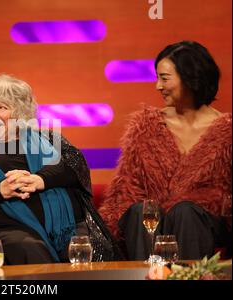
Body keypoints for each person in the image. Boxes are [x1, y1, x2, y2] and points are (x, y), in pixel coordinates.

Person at [0, 74, 122, 264]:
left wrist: (39, 180)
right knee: (30, 250)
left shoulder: (49, 139)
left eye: (1, 107)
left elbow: (75, 166)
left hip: (68, 226)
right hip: (10, 231)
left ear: (20, 114)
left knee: (86, 249)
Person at [98, 41, 231, 260]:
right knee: (141, 211)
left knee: (185, 211)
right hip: (152, 224)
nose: (158, 86)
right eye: (157, 78)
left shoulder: (227, 130)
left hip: (203, 224)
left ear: (191, 78)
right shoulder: (147, 126)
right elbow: (126, 191)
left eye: (165, 78)